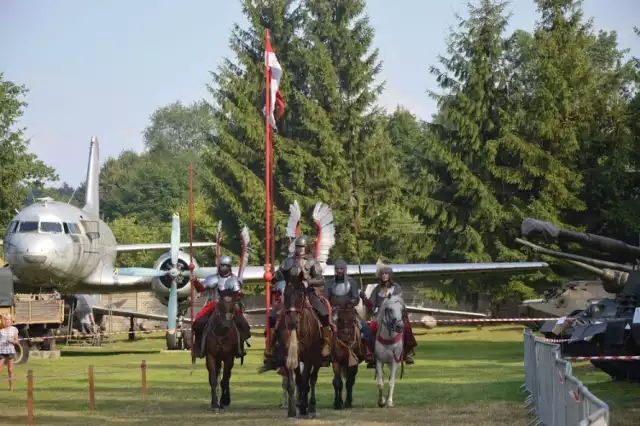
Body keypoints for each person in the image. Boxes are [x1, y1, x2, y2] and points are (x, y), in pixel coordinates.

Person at [264, 235, 332, 364]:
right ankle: (271, 347)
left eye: (302, 246)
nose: (300, 249)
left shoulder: (312, 261)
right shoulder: (288, 261)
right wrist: (269, 274)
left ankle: (326, 343)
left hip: (308, 294)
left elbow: (321, 279)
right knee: (273, 317)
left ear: (306, 247)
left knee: (323, 313)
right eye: (298, 246)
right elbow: (278, 277)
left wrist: (309, 281)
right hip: (291, 295)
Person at [192, 255, 250, 359]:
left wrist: (237, 296)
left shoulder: (233, 279)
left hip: (230, 305)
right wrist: (195, 281)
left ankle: (239, 347)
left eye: (225, 265)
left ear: (229, 267)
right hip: (214, 304)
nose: (223, 268)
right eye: (221, 265)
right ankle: (199, 347)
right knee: (198, 322)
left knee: (243, 324)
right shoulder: (213, 278)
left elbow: (237, 294)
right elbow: (201, 289)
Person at [360, 265, 417, 367]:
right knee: (371, 329)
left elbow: (399, 301)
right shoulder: (377, 289)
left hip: (394, 313)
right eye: (382, 274)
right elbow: (371, 304)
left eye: (386, 273)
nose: (384, 275)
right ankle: (371, 354)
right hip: (380, 315)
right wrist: (365, 298)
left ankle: (407, 353)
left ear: (390, 275)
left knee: (406, 327)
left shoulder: (397, 287)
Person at [0, 313, 19, 391]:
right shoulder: (1, 330)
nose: (7, 321)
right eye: (6, 319)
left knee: (10, 369)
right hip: (1, 351)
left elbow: (17, 341)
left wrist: (12, 341)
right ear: (3, 321)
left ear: (11, 321)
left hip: (10, 351)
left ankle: (11, 387)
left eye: (9, 319)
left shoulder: (14, 329)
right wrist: (1, 316)